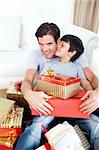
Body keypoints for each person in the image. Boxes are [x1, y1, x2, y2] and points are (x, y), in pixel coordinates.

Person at [15, 22, 99, 150]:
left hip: (75, 105)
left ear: (58, 41)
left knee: (96, 125)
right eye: (40, 44)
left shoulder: (74, 56)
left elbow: (91, 78)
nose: (44, 49)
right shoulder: (37, 56)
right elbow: (28, 80)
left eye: (49, 44)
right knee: (35, 127)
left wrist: (97, 93)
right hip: (50, 106)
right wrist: (28, 93)